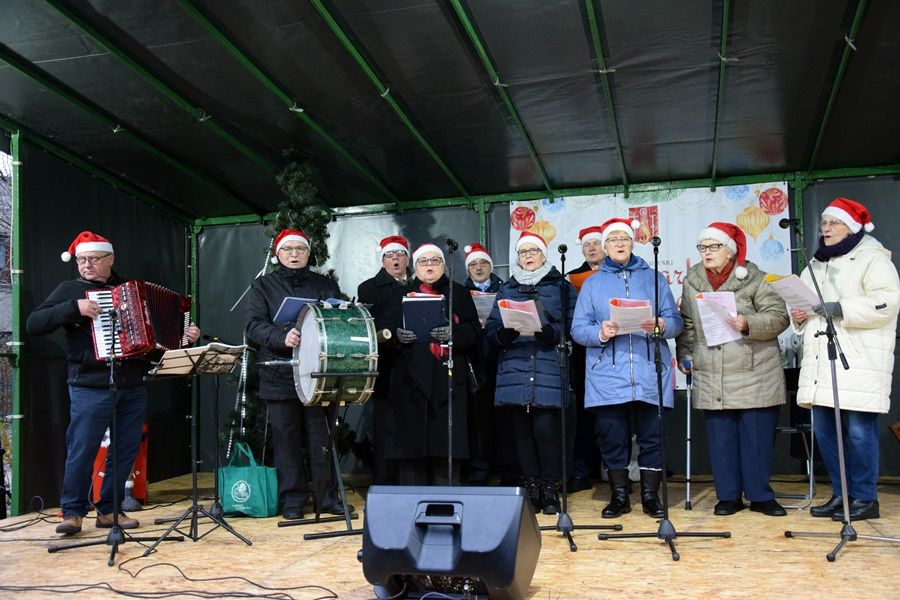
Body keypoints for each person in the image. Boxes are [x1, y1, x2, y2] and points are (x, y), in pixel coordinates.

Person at [26, 231, 200, 535]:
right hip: (90, 384)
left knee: (125, 448)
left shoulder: (129, 290)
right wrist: (74, 308)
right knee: (83, 447)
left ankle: (110, 509)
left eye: (94, 258)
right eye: (82, 259)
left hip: (132, 383)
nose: (87, 265)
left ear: (110, 258)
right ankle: (73, 511)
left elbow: (153, 342)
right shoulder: (71, 290)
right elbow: (34, 324)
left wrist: (183, 339)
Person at [791, 198, 900, 521]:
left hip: (858, 360)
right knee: (826, 432)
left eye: (833, 222)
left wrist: (840, 308)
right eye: (823, 222)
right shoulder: (817, 263)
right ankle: (841, 495)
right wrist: (798, 314)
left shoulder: (873, 259)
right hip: (822, 363)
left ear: (851, 227)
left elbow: (888, 302)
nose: (825, 228)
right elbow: (806, 305)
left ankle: (865, 497)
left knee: (857, 433)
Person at [571, 217, 682, 519]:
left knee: (652, 436)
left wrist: (662, 325)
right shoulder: (592, 284)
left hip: (648, 369)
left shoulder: (654, 278)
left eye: (624, 238)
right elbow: (578, 329)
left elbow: (676, 322)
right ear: (605, 247)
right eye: (613, 239)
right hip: (607, 372)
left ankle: (650, 496)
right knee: (612, 436)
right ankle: (619, 495)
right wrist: (600, 332)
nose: (619, 244)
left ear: (633, 243)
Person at [676, 222, 789, 517]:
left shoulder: (756, 278)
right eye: (703, 247)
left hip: (754, 369)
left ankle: (760, 496)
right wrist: (685, 354)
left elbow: (779, 317)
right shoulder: (692, 281)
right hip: (712, 369)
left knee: (756, 439)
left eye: (714, 247)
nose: (707, 253)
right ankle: (727, 496)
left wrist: (747, 322)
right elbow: (687, 324)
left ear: (730, 250)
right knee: (721, 439)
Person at [245, 229, 349, 519]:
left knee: (322, 438)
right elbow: (253, 326)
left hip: (319, 373)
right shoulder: (263, 286)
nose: (294, 254)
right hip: (280, 373)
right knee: (286, 439)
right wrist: (282, 337)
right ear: (278, 255)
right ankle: (292, 501)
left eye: (299, 249)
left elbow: (337, 320)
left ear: (308, 253)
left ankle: (327, 498)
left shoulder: (325, 285)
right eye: (287, 249)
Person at [485, 232, 577, 514]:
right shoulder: (507, 289)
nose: (527, 256)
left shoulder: (561, 286)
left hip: (548, 365)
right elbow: (490, 328)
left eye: (533, 251)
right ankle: (532, 487)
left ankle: (550, 490)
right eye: (523, 252)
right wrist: (502, 335)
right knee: (522, 434)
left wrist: (554, 333)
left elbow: (575, 324)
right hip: (515, 367)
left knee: (546, 432)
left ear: (543, 255)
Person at [388, 242, 480, 485]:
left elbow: (474, 333)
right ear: (415, 266)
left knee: (446, 455)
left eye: (435, 261)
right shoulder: (400, 294)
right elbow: (384, 332)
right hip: (410, 385)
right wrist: (397, 335)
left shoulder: (458, 292)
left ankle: (448, 508)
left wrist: (454, 333)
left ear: (444, 264)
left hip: (448, 383)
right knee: (412, 457)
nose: (429, 266)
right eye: (423, 261)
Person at [357, 235, 411, 485]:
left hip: (416, 365)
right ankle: (385, 482)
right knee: (385, 427)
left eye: (400, 254)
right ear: (383, 260)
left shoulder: (420, 283)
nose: (396, 259)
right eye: (390, 255)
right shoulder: (368, 288)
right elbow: (372, 326)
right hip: (387, 366)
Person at [461, 243, 514, 486]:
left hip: (503, 359)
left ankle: (508, 469)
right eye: (473, 264)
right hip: (474, 362)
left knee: (505, 419)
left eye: (482, 263)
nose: (478, 268)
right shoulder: (461, 293)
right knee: (478, 419)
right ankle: (479, 469)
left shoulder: (505, 289)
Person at [567, 225, 607, 493]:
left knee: (614, 415)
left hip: (613, 349)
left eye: (596, 243)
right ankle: (581, 469)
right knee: (582, 414)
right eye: (586, 245)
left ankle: (614, 471)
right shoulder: (571, 279)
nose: (591, 249)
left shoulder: (619, 275)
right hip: (582, 354)